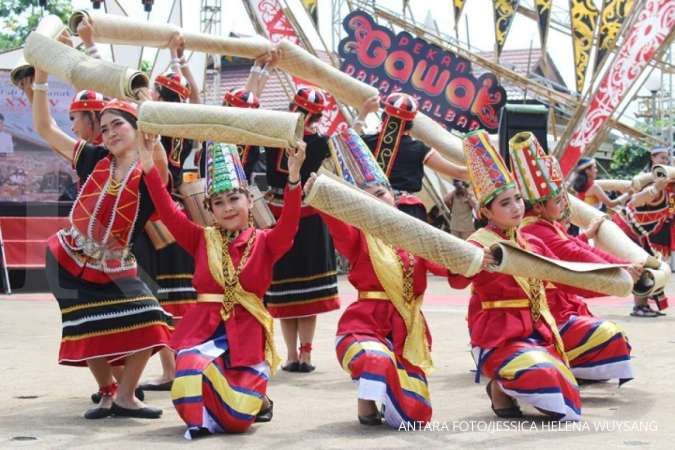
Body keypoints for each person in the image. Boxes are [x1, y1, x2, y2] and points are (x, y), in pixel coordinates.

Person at [139, 133, 305, 438]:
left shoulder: (267, 242)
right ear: (210, 209)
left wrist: (294, 179)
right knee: (189, 364)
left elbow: (291, 223)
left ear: (249, 199)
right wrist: (148, 163)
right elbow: (167, 211)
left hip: (246, 335)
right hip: (203, 329)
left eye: (234, 199)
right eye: (218, 202)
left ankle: (256, 400)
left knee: (239, 419)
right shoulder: (201, 238)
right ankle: (201, 419)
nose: (228, 208)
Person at [31, 64, 173, 419]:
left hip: (115, 263)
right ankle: (109, 392)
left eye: (118, 125)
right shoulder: (93, 157)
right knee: (87, 326)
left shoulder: (148, 173)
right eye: (104, 127)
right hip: (67, 256)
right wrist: (41, 80)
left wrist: (143, 103)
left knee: (150, 318)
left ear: (139, 129)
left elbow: (159, 162)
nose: (109, 133)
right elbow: (45, 128)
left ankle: (127, 396)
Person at [447, 130, 607, 421]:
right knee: (546, 378)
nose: (516, 207)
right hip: (499, 336)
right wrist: (471, 261)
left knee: (567, 397)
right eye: (505, 203)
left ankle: (504, 387)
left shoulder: (532, 242)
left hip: (537, 332)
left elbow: (568, 273)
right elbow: (455, 280)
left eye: (518, 199)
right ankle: (499, 383)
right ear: (487, 211)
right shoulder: (478, 243)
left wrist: (619, 275)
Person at [306, 128, 449, 427]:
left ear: (393, 195)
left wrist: (478, 258)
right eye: (366, 200)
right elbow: (336, 224)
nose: (376, 202)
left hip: (407, 331)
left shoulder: (415, 235)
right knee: (375, 359)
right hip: (364, 326)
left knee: (415, 417)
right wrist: (318, 191)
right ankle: (366, 402)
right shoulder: (357, 237)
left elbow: (447, 267)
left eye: (381, 193)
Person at [511, 131, 636, 385]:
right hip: (538, 317)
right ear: (539, 205)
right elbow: (575, 256)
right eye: (557, 200)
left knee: (613, 338)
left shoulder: (545, 225)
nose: (563, 204)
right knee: (611, 337)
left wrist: (622, 265)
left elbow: (576, 249)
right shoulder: (533, 230)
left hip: (556, 308)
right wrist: (622, 270)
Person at [263, 87, 340, 372]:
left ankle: (294, 354)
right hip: (306, 213)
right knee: (306, 289)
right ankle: (303, 354)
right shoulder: (323, 143)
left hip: (279, 211)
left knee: (287, 287)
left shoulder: (273, 134)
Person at [354, 93, 468, 221]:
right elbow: (460, 172)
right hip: (406, 211)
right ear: (410, 123)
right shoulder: (419, 149)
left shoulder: (365, 141)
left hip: (369, 205)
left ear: (384, 116)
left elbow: (346, 144)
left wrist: (364, 112)